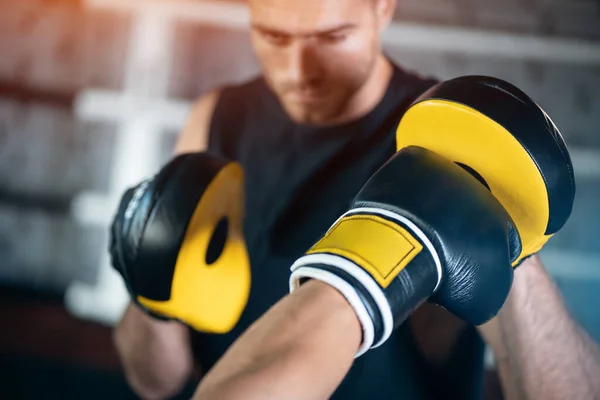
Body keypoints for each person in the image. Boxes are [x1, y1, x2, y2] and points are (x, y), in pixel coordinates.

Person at [111, 0, 599, 399]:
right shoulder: (217, 119)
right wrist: (149, 291)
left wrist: (517, 253)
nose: (298, 71)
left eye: (332, 37)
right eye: (274, 37)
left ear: (383, 9)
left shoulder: (442, 140)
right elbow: (155, 383)